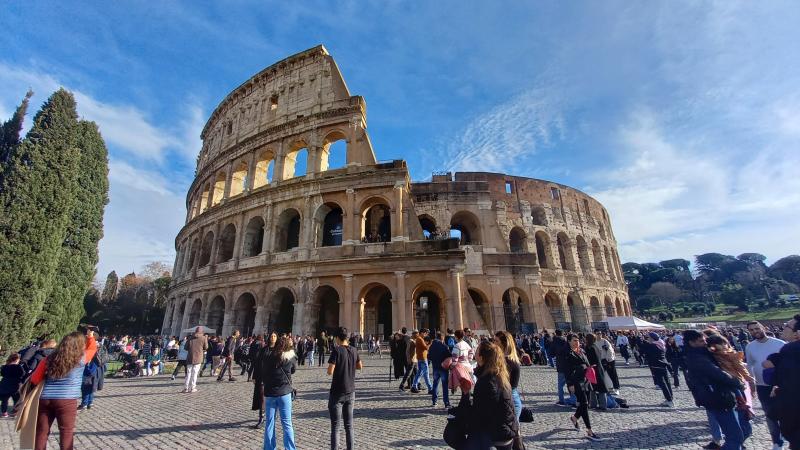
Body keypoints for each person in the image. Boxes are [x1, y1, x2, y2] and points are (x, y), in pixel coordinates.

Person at [30, 328, 98, 450]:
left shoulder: (49, 358)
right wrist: (90, 336)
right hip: (67, 399)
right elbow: (92, 349)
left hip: (45, 398)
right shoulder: (81, 358)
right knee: (66, 432)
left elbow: (35, 379)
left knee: (41, 432)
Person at [683, 329, 746, 450]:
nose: (705, 343)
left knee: (738, 434)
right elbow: (717, 373)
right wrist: (738, 382)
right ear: (692, 343)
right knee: (735, 437)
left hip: (718, 396)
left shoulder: (702, 353)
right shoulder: (697, 357)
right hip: (718, 397)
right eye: (701, 341)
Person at [464, 341, 518, 449]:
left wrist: (465, 396)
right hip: (506, 429)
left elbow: (481, 413)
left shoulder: (487, 380)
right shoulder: (499, 374)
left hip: (496, 434)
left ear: (481, 357)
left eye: (477, 350)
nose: (474, 352)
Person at [707, 334, 754, 447]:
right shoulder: (711, 357)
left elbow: (742, 370)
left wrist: (750, 381)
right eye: (721, 344)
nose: (724, 346)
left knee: (743, 418)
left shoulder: (731, 355)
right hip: (726, 390)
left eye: (724, 343)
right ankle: (734, 442)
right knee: (735, 420)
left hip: (737, 387)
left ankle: (737, 442)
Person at [745, 321, 785, 450]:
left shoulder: (780, 344)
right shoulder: (750, 347)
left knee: (785, 412)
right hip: (762, 386)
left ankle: (788, 435)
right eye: (751, 330)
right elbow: (749, 366)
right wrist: (752, 385)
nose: (755, 331)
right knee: (769, 414)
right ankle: (776, 441)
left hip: (781, 385)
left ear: (763, 328)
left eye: (757, 328)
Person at [259, 335, 297, 450]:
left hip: (270, 393)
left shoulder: (268, 357)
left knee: (269, 423)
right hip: (285, 393)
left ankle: (269, 448)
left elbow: (264, 373)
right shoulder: (290, 357)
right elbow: (293, 370)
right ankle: (290, 448)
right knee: (287, 423)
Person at [327, 327, 362, 450]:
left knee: (336, 427)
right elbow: (360, 366)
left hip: (337, 392)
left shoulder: (336, 350)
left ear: (337, 338)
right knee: (349, 426)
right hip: (350, 391)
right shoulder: (354, 350)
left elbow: (330, 371)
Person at [768, 314, 800, 449]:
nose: (784, 328)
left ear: (797, 333)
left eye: (787, 326)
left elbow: (787, 382)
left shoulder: (791, 350)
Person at [563, 333, 600, 441]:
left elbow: (587, 363)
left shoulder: (581, 351)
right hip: (576, 382)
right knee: (583, 403)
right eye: (574, 340)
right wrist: (570, 384)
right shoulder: (567, 353)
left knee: (585, 404)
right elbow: (566, 370)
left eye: (577, 340)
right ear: (569, 341)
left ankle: (574, 418)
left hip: (586, 380)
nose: (577, 342)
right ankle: (589, 431)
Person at [640, 332, 674, 407]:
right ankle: (670, 398)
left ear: (652, 338)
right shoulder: (661, 343)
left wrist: (643, 342)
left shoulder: (652, 345)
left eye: (648, 337)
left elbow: (643, 352)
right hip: (663, 364)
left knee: (662, 384)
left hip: (656, 366)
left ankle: (669, 400)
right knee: (667, 383)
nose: (647, 339)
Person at [494, 331, 522, 420]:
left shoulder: (508, 361)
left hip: (508, 397)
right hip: (508, 396)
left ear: (504, 343)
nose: (494, 343)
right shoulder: (503, 359)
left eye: (496, 341)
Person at [252, 332, 278, 428]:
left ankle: (274, 414)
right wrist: (254, 376)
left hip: (275, 378)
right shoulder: (263, 350)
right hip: (263, 377)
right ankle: (261, 418)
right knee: (262, 397)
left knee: (274, 397)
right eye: (271, 336)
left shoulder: (279, 350)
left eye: (274, 336)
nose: (273, 338)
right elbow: (257, 363)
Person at [584, 333, 611, 411]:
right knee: (596, 387)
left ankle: (599, 405)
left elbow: (588, 360)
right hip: (598, 368)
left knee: (595, 387)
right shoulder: (595, 346)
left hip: (593, 369)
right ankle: (597, 404)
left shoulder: (589, 348)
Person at [551, 329, 575, 407]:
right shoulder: (567, 341)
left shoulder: (554, 341)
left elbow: (552, 353)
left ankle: (561, 399)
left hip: (560, 365)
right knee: (571, 382)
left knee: (560, 385)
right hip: (568, 366)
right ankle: (573, 398)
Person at [428, 332, 451, 408]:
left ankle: (434, 401)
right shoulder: (444, 346)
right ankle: (446, 403)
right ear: (442, 338)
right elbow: (449, 356)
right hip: (443, 368)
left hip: (435, 367)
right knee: (444, 386)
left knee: (435, 384)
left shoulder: (432, 346)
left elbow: (429, 356)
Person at [184, 327, 208, 393]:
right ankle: (192, 388)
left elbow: (185, 348)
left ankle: (185, 388)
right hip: (198, 357)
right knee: (195, 373)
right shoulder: (203, 338)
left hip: (190, 356)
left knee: (188, 373)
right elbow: (206, 347)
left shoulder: (190, 337)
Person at [412, 328, 432, 394]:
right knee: (426, 374)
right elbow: (426, 348)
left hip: (420, 358)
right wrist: (430, 343)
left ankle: (414, 386)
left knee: (419, 373)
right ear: (422, 333)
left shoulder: (419, 339)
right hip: (423, 358)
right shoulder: (420, 339)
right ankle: (430, 388)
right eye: (425, 333)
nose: (426, 335)